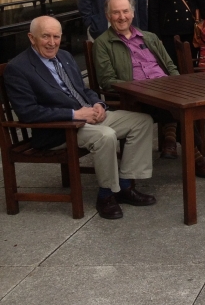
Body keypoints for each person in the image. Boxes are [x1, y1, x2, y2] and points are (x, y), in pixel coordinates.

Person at [5, 16, 155, 220]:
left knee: (142, 122)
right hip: (59, 129)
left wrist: (98, 104)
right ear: (32, 38)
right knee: (106, 136)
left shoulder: (65, 56)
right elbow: (28, 112)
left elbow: (82, 90)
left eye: (56, 36)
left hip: (88, 116)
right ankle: (106, 195)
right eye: (45, 36)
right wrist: (74, 115)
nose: (52, 42)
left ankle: (125, 186)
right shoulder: (18, 68)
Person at [93, 0, 205, 177]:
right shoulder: (103, 44)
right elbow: (107, 80)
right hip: (138, 96)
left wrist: (179, 84)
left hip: (167, 89)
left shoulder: (149, 38)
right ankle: (197, 158)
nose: (122, 16)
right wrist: (140, 88)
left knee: (186, 103)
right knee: (178, 109)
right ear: (107, 16)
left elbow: (170, 67)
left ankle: (171, 135)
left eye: (125, 11)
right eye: (116, 12)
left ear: (133, 13)